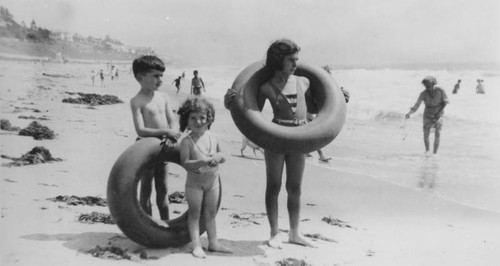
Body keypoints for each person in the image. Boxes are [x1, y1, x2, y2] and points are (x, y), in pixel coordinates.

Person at [225, 39, 316, 249]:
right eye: (291, 60)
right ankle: (275, 233)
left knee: (295, 187)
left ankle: (295, 232)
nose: (295, 64)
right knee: (273, 186)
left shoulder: (303, 82)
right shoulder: (266, 87)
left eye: (297, 59)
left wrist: (341, 96)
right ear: (278, 61)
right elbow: (250, 110)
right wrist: (228, 102)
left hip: (298, 139)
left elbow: (316, 107)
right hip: (275, 138)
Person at [177, 96, 232, 258]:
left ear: (209, 119)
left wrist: (217, 157)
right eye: (193, 118)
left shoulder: (214, 137)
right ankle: (196, 245)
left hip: (213, 182)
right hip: (194, 184)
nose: (198, 121)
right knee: (194, 214)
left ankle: (213, 242)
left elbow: (223, 156)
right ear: (186, 120)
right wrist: (200, 161)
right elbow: (185, 162)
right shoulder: (186, 141)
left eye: (202, 117)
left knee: (210, 213)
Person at [130, 55, 182, 220]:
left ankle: (165, 224)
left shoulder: (163, 97)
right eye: (155, 76)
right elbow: (141, 130)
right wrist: (166, 132)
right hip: (146, 148)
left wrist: (173, 133)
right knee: (146, 189)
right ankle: (149, 225)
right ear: (140, 77)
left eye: (161, 76)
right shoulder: (137, 101)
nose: (160, 80)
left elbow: (173, 120)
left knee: (163, 189)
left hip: (165, 146)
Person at [405, 76, 449, 155]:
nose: (427, 88)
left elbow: (445, 103)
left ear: (433, 83)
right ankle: (427, 151)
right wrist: (409, 113)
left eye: (428, 86)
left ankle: (435, 153)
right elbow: (417, 105)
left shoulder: (440, 91)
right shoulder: (423, 94)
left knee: (437, 133)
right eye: (425, 86)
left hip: (439, 112)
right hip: (427, 114)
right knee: (426, 133)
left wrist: (438, 113)